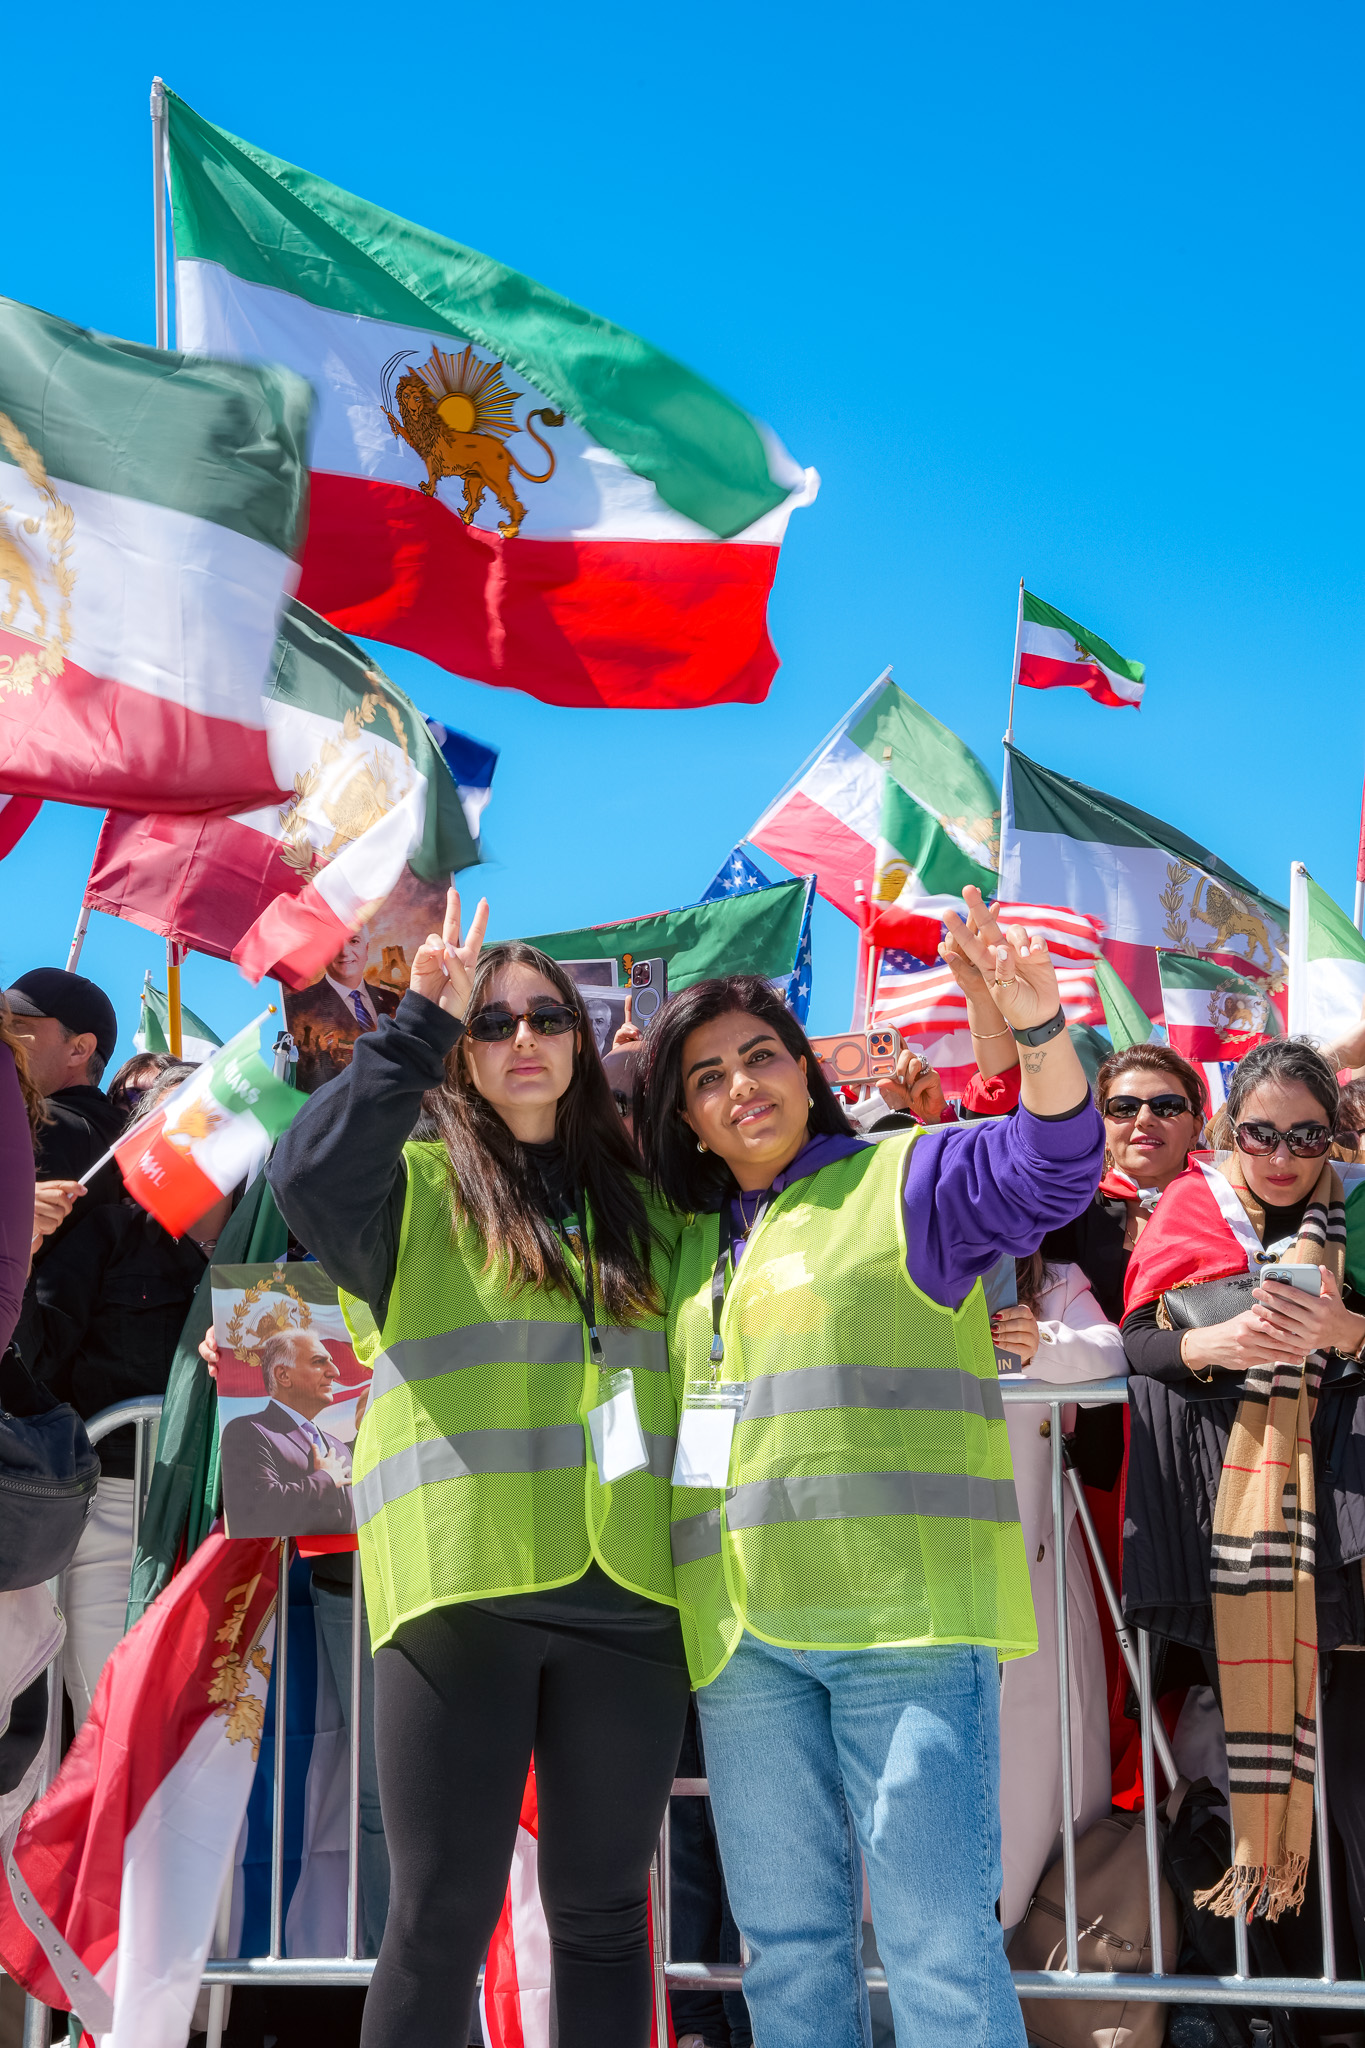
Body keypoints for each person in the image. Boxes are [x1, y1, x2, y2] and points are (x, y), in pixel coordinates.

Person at [632, 890, 1105, 2048]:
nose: (742, 1084)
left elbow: (1053, 1168)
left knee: (939, 1942)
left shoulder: (908, 1180)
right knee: (789, 1950)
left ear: (806, 1070)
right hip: (743, 1641)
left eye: (762, 1055)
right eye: (707, 1075)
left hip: (903, 1625)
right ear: (687, 1117)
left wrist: (1040, 1034)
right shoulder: (687, 1244)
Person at [268, 889, 690, 2048]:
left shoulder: (654, 1201)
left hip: (632, 1595)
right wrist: (413, 1021)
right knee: (441, 1913)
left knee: (606, 1912)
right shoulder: (412, 1184)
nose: (520, 1041)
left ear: (581, 1040)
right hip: (463, 1591)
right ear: (460, 1047)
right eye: (491, 1022)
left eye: (545, 1018)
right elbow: (302, 1173)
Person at [1122, 1039, 1365, 1948]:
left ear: (1332, 1139)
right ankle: (1295, 1998)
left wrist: (1344, 1331)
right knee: (1261, 1766)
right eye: (1259, 1132)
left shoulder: (1361, 1206)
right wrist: (1210, 1348)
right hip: (1233, 1530)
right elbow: (1139, 1340)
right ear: (1228, 1128)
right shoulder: (1190, 1204)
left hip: (1345, 1525)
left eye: (1306, 1138)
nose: (1280, 1157)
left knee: (1353, 1784)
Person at [16, 1061, 232, 1724]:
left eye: (210, 1114)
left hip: (234, 1521)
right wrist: (19, 1252)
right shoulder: (104, 1234)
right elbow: (35, 1356)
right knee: (115, 1722)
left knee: (219, 1734)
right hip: (114, 1515)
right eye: (169, 1119)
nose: (191, 1131)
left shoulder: (277, 1243)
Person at [993, 1251, 1125, 1931]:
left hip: (1035, 1562)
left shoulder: (1052, 1282)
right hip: (917, 1568)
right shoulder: (902, 1266)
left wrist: (1037, 1341)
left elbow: (1109, 1358)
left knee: (1038, 1785)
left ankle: (1033, 1976)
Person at [4, 968, 123, 1258]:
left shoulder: (42, 1122)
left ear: (79, 1049)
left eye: (17, 1026)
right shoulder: (125, 1136)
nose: (4, 1038)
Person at [219, 1329, 356, 1537]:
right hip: (289, 1568)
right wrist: (325, 1479)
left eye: (331, 1361)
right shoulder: (248, 1431)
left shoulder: (341, 1449)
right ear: (283, 1375)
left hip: (350, 1569)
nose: (334, 1371)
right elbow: (254, 1511)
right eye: (319, 1361)